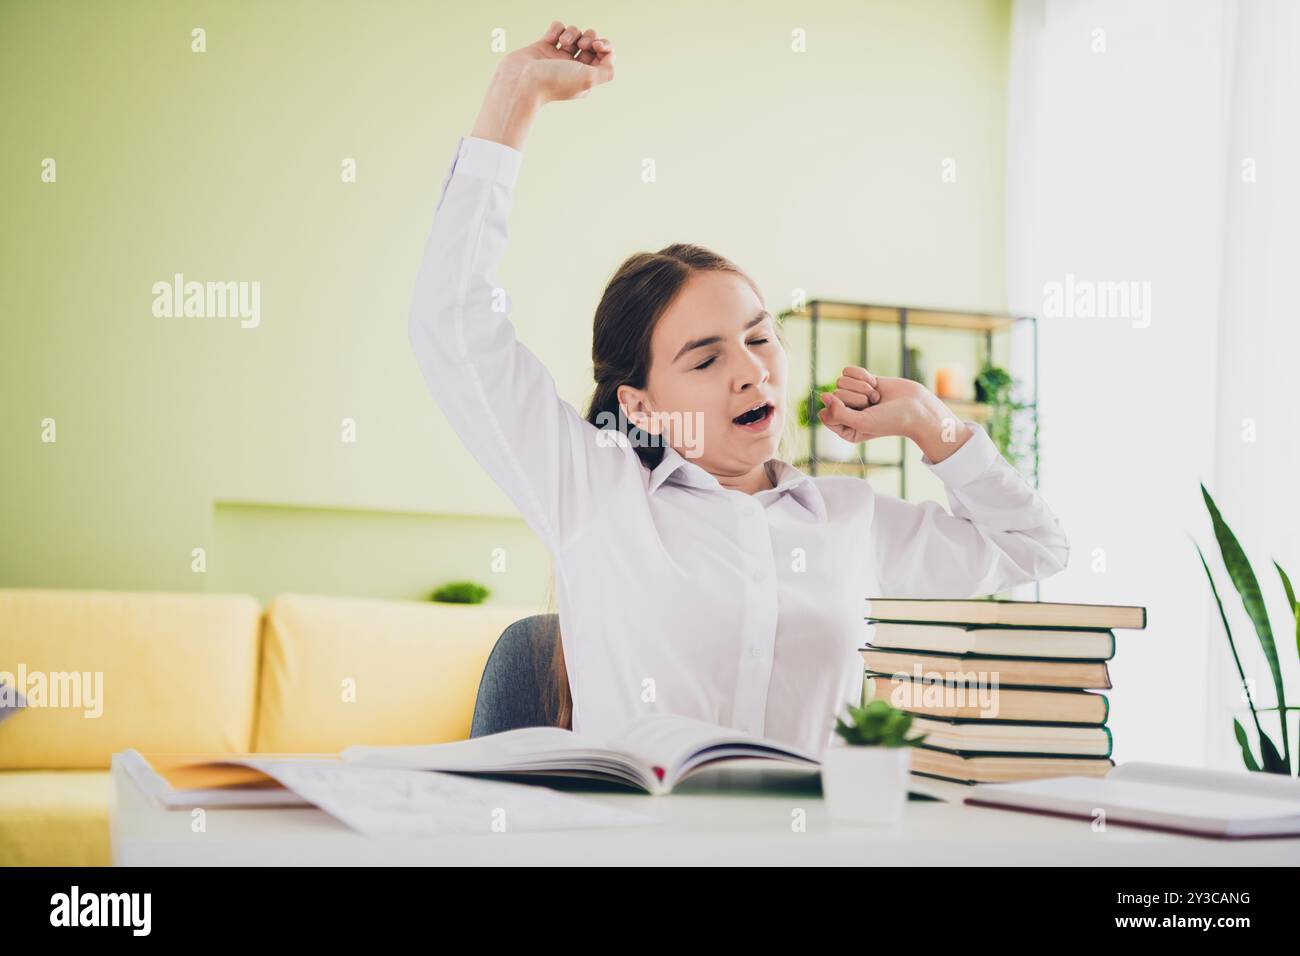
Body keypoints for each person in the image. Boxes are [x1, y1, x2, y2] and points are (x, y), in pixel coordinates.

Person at [408, 20, 1069, 757]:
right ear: (640, 404)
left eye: (759, 338)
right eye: (705, 358)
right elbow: (454, 322)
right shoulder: (593, 491)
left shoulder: (848, 521)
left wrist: (929, 423)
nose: (751, 370)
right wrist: (514, 97)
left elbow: (1033, 547)